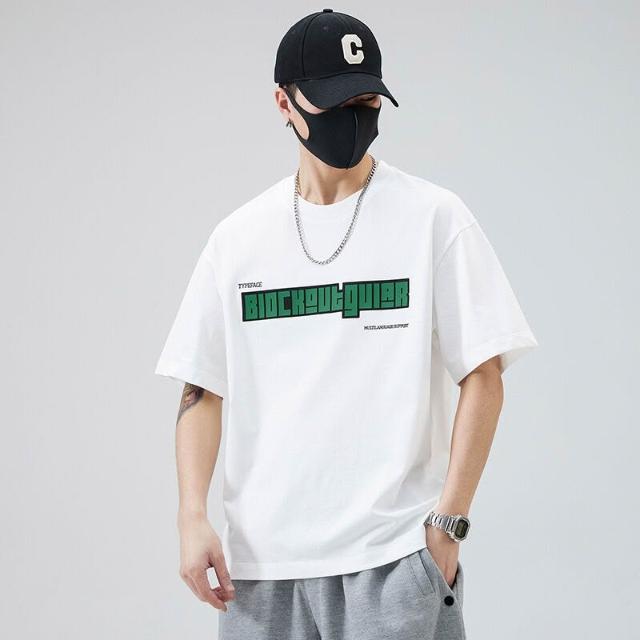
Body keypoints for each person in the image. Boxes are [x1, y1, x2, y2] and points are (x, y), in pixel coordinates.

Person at [154, 8, 539, 640]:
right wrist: (190, 515)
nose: (353, 116)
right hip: (263, 572)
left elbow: (485, 372)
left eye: (365, 100)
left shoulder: (434, 218)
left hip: (392, 560)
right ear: (284, 102)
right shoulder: (238, 240)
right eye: (334, 101)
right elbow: (201, 387)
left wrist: (448, 524)